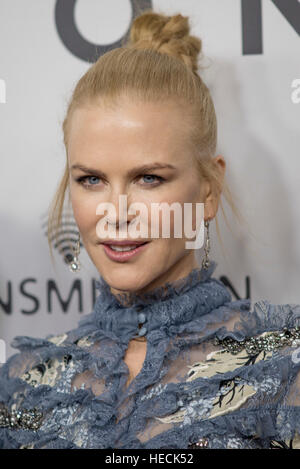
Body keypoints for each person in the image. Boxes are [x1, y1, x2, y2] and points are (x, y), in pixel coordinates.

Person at [1, 9, 300, 450]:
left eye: (148, 178)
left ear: (209, 190)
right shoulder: (23, 382)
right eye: (92, 180)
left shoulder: (284, 364)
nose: (116, 213)